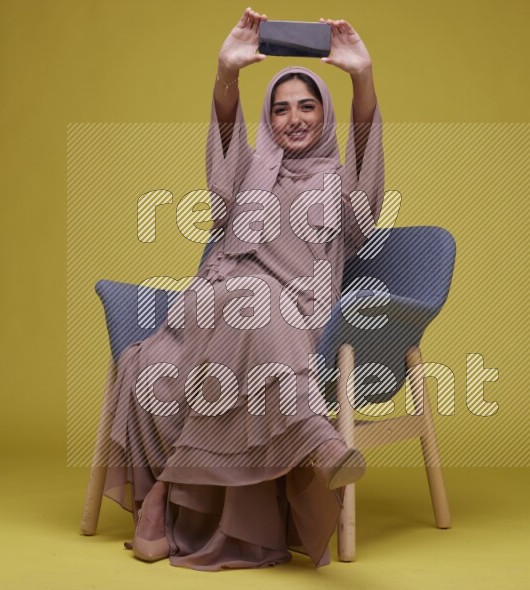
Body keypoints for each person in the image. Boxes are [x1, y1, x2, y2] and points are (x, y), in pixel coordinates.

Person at [100, 7, 385, 570]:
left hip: (299, 315)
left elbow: (368, 177)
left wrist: (362, 80)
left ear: (324, 116)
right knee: (200, 326)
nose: (294, 119)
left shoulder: (340, 182)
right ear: (268, 118)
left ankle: (161, 497)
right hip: (212, 309)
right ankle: (312, 436)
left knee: (247, 316)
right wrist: (226, 75)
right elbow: (222, 156)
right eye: (281, 109)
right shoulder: (250, 174)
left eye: (308, 107)